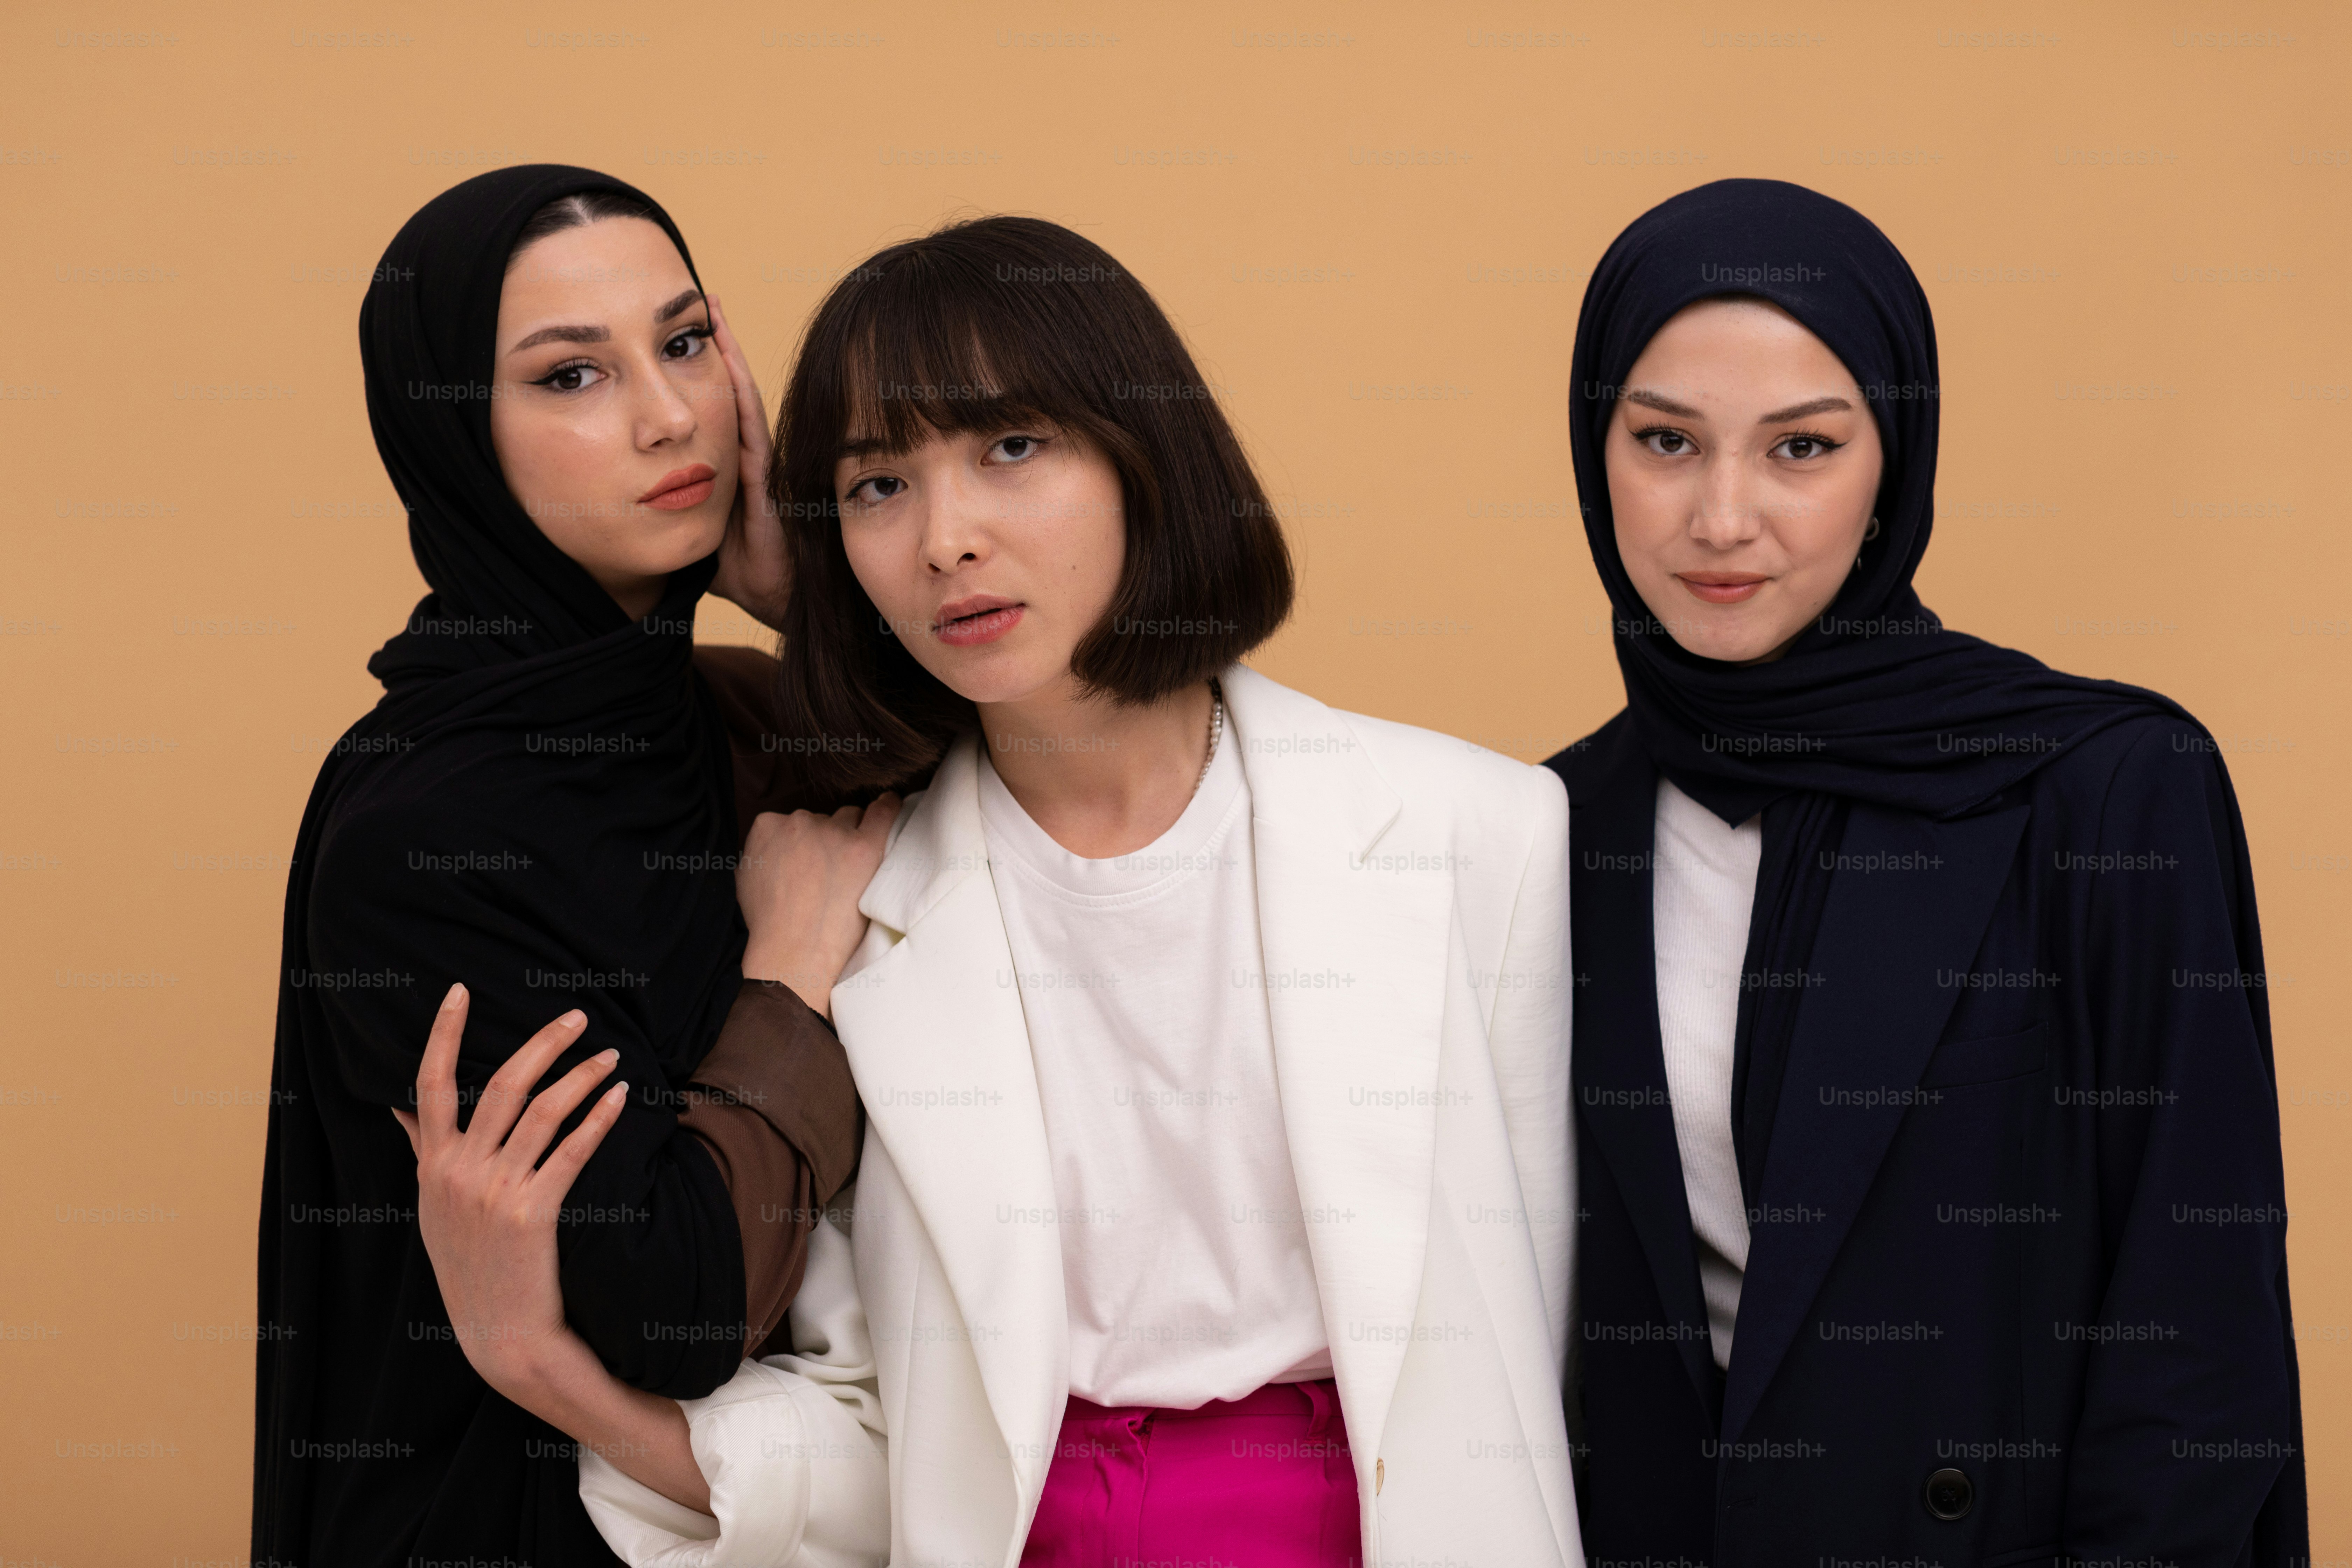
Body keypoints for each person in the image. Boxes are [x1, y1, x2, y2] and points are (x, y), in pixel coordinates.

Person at [405, 215, 1583, 1568]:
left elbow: (1527, 1363)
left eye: (1011, 448)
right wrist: (537, 1363)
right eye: (875, 487)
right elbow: (873, 1448)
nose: (947, 540)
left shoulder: (1477, 834)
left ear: (1147, 456)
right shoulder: (841, 904)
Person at [1549, 178, 2304, 1561]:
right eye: (1666, 440)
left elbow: (2198, 1337)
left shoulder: (2106, 786)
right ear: (1594, 454)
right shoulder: (1549, 826)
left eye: (1801, 449)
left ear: (1896, 459)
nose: (1723, 519)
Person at [252, 164, 888, 1567]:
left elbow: (1060, 828)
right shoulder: (422, 832)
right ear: (454, 440)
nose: (671, 416)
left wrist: (803, 603)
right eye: (570, 377)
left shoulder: (731, 712)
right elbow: (670, 1304)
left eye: (683, 342)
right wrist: (787, 978)